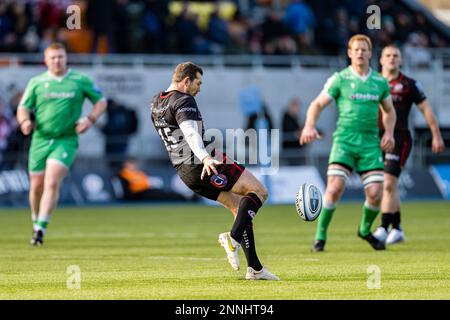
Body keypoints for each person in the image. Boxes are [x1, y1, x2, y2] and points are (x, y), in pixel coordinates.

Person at [150, 62, 279, 280]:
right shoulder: (184, 100)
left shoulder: (156, 101)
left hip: (185, 172)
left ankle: (255, 269)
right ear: (186, 81)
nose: (199, 88)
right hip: (203, 163)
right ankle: (233, 239)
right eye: (198, 83)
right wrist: (206, 156)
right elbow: (190, 133)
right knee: (259, 191)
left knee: (240, 209)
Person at [300, 34, 397, 252]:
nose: (360, 53)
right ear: (349, 53)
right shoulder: (340, 79)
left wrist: (389, 133)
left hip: (370, 144)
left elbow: (389, 111)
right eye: (357, 50)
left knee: (375, 194)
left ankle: (364, 230)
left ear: (370, 54)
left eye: (364, 50)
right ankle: (320, 236)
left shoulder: (379, 82)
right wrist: (309, 126)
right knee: (334, 188)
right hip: (344, 141)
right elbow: (316, 104)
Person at [16, 43, 107, 246]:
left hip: (65, 140)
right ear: (46, 61)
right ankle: (35, 221)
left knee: (51, 182)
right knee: (36, 186)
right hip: (40, 139)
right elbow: (23, 107)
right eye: (53, 58)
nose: (57, 61)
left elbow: (101, 101)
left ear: (66, 58)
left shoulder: (79, 80)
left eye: (60, 57)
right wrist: (24, 122)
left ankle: (41, 229)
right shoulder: (37, 82)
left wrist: (89, 120)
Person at [373, 44, 445, 245]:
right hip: (375, 140)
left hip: (400, 139)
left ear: (401, 60)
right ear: (381, 59)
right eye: (388, 55)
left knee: (388, 183)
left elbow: (426, 110)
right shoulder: (373, 82)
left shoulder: (409, 84)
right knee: (387, 185)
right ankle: (397, 228)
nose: (392, 58)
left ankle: (383, 227)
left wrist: (436, 135)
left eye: (396, 55)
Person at [117, 158, 188, 202]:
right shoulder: (123, 174)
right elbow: (125, 188)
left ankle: (183, 197)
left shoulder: (139, 172)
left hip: (146, 189)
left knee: (162, 192)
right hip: (138, 193)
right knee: (159, 195)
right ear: (126, 165)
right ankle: (184, 198)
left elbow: (146, 181)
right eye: (131, 164)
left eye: (134, 164)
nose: (134, 166)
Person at [100, 98, 138, 172]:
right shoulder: (122, 112)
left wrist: (104, 129)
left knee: (117, 162)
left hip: (117, 142)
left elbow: (114, 129)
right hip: (119, 141)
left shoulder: (118, 113)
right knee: (116, 161)